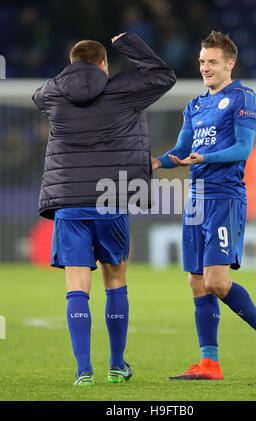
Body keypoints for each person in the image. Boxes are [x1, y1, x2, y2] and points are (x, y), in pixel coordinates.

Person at [33, 32, 176, 386]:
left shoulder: (53, 93)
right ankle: (116, 364)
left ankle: (83, 370)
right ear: (103, 64)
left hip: (68, 203)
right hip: (109, 199)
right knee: (115, 281)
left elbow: (40, 95)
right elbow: (163, 76)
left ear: (71, 65)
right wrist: (127, 42)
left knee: (76, 287)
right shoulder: (123, 90)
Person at [152, 30, 256, 381]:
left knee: (216, 282)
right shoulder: (195, 105)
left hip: (224, 198)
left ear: (230, 63)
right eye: (201, 62)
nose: (205, 67)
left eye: (212, 61)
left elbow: (243, 149)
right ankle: (209, 363)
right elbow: (181, 151)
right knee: (197, 282)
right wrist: (155, 162)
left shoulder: (244, 97)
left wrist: (205, 156)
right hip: (195, 201)